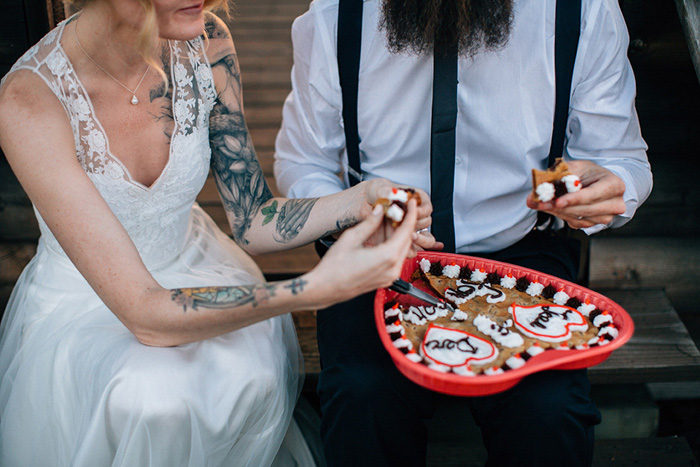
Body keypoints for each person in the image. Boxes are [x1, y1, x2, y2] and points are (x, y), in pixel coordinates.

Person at [0, 0, 434, 465]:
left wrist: (358, 200)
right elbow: (145, 315)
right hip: (94, 306)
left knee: (242, 371)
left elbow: (252, 219)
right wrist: (313, 289)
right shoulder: (28, 102)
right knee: (150, 399)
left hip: (195, 265)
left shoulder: (206, 39)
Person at [274, 0, 653, 465]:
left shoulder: (581, 9)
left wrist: (605, 189)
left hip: (521, 251)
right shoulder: (337, 13)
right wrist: (357, 219)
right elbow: (303, 161)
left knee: (550, 414)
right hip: (383, 258)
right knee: (361, 397)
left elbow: (622, 160)